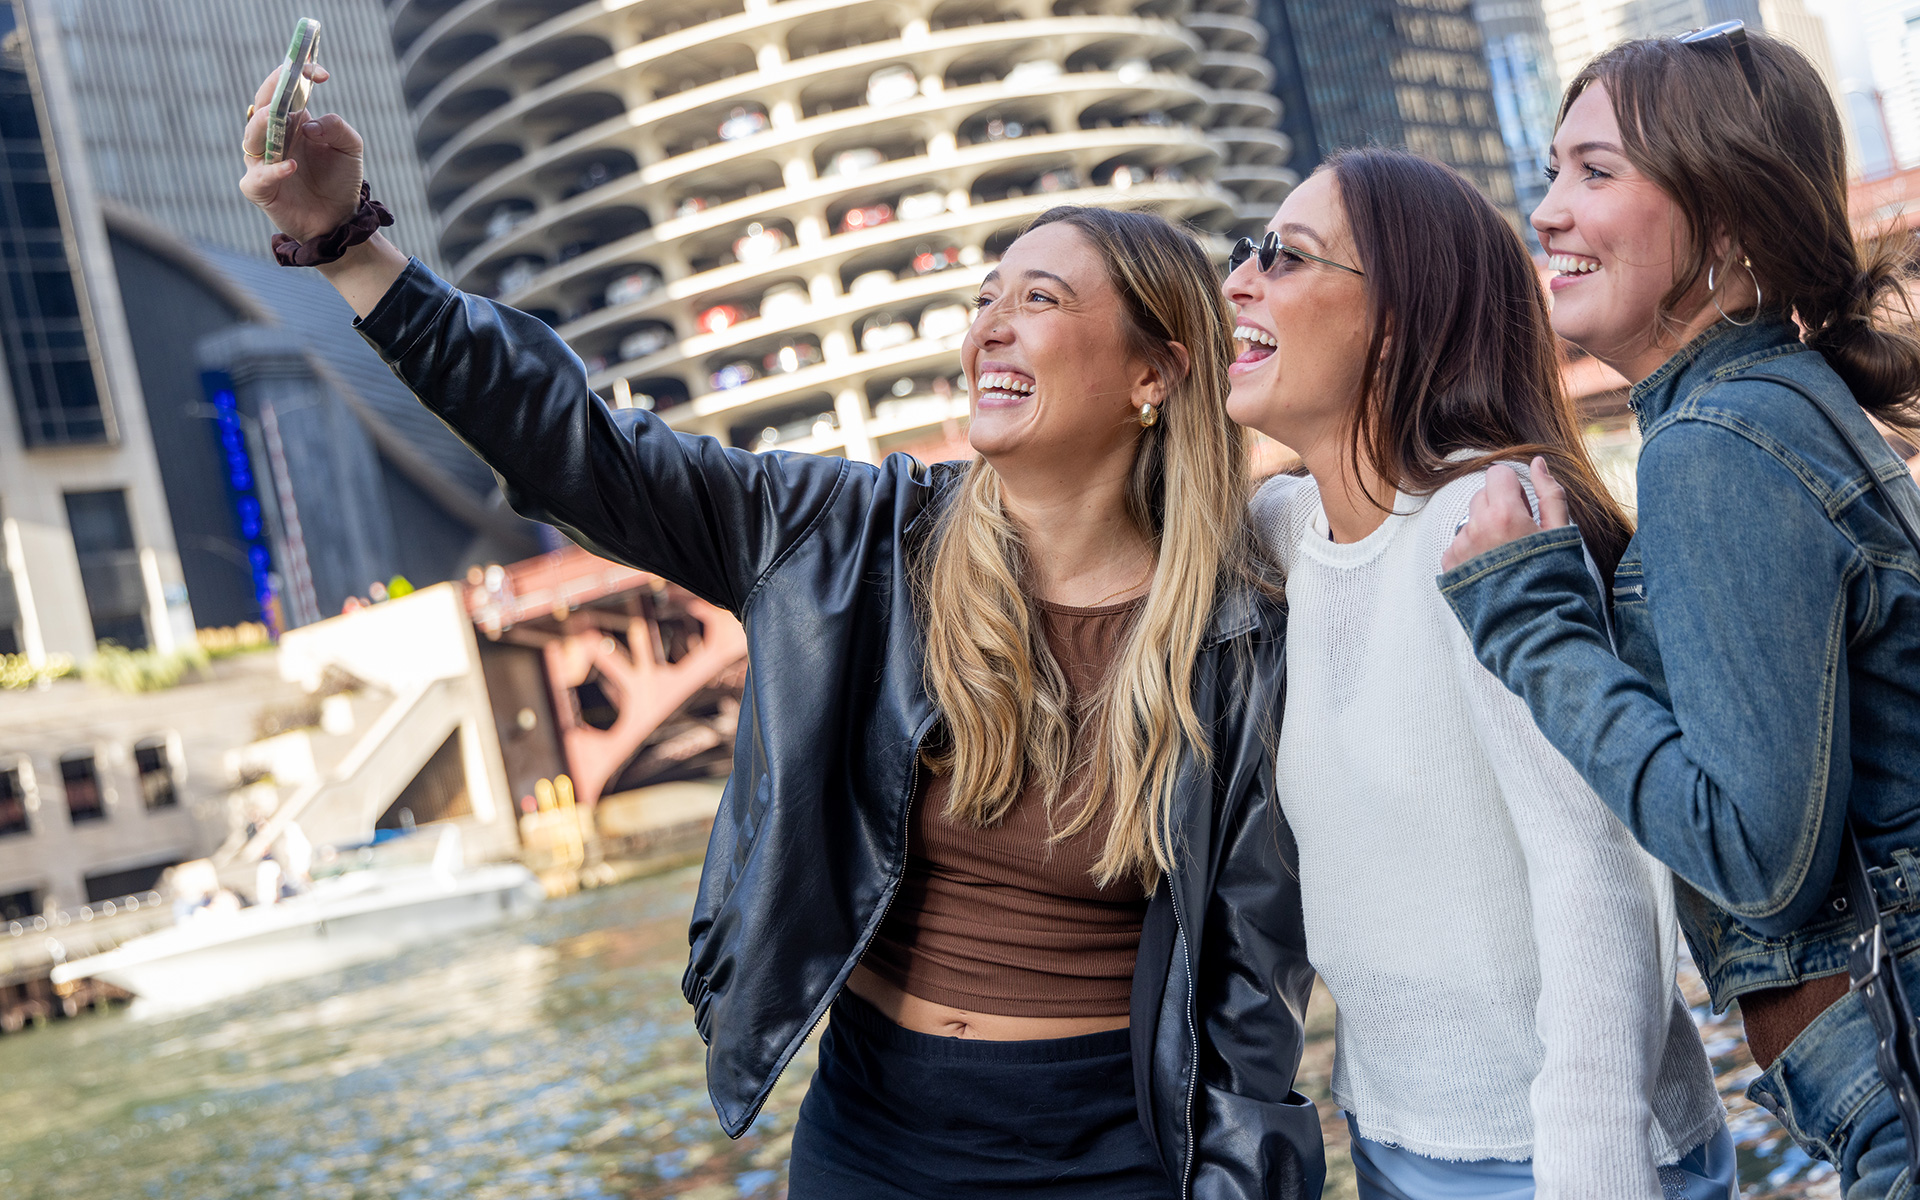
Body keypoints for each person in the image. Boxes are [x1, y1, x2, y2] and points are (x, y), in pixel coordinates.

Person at [237, 64, 1324, 1200]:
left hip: (1111, 1156)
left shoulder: (1237, 636)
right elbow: (577, 446)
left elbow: (1251, 985)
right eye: (988, 297)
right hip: (866, 1140)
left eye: (1041, 301)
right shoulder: (845, 538)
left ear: (1155, 373)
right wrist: (346, 241)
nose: (989, 328)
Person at [1440, 26, 1920, 1200]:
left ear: (1732, 224)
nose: (1546, 210)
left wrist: (1529, 623)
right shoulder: (1772, 409)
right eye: (1553, 169)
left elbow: (1758, 862)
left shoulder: (1721, 449)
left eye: (1595, 173)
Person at [1226, 148, 1728, 1199]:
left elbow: (1598, 876)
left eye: (1287, 257)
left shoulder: (1484, 525)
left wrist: (1590, 1176)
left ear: (1400, 323)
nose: (1241, 280)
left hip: (1562, 1156)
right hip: (1393, 1138)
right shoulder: (1286, 533)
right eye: (1249, 253)